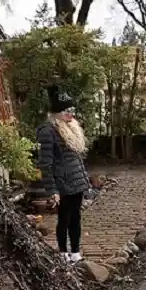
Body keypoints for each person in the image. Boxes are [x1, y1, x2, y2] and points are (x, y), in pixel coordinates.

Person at [36, 86, 91, 263]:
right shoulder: (48, 131)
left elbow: (75, 160)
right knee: (64, 219)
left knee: (76, 219)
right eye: (67, 110)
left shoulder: (71, 128)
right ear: (57, 112)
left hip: (76, 183)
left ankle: (75, 252)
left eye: (72, 110)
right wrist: (52, 190)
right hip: (63, 184)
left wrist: (83, 180)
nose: (71, 114)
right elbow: (45, 163)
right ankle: (62, 253)